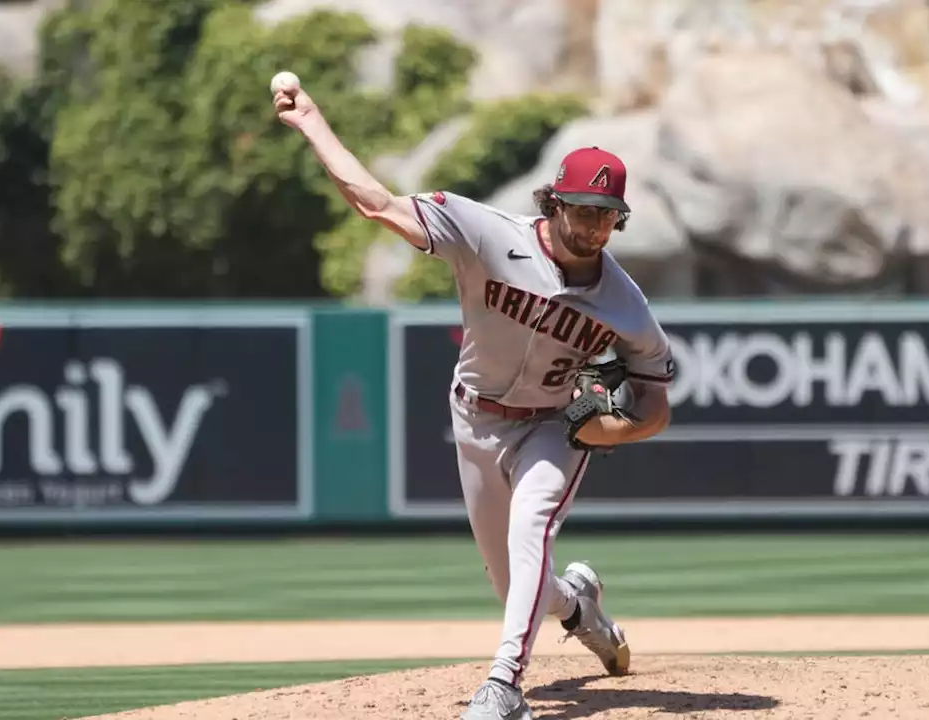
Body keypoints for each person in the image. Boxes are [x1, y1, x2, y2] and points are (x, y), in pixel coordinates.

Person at [274, 79, 676, 720]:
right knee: (514, 581)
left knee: (532, 526)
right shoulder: (486, 233)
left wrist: (612, 431)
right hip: (476, 416)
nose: (596, 226)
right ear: (553, 203)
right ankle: (579, 606)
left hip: (554, 426)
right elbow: (376, 204)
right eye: (583, 210)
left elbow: (655, 406)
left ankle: (503, 687)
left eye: (608, 215)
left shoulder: (626, 306)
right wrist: (314, 121)